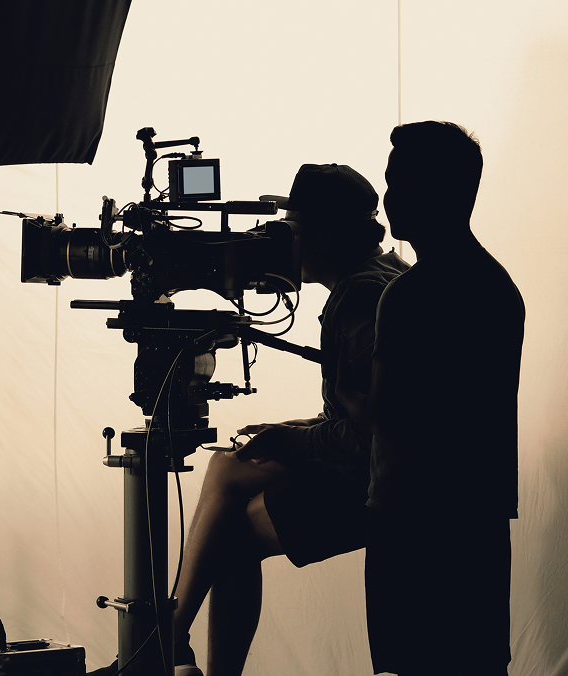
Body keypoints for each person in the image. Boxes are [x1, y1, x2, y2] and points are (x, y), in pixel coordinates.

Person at [168, 164, 410, 676]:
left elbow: (375, 431)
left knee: (228, 509)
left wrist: (298, 441)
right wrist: (295, 431)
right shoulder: (387, 275)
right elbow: (360, 411)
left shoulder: (360, 298)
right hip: (378, 470)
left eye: (292, 230)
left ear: (324, 238)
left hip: (377, 485)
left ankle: (166, 638)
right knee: (227, 477)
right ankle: (170, 637)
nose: (282, 243)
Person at [335, 121, 524, 675]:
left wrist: (342, 389)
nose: (388, 197)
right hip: (480, 518)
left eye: (398, 183)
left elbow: (381, 414)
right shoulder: (499, 288)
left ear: (431, 193)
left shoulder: (406, 297)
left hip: (408, 519)